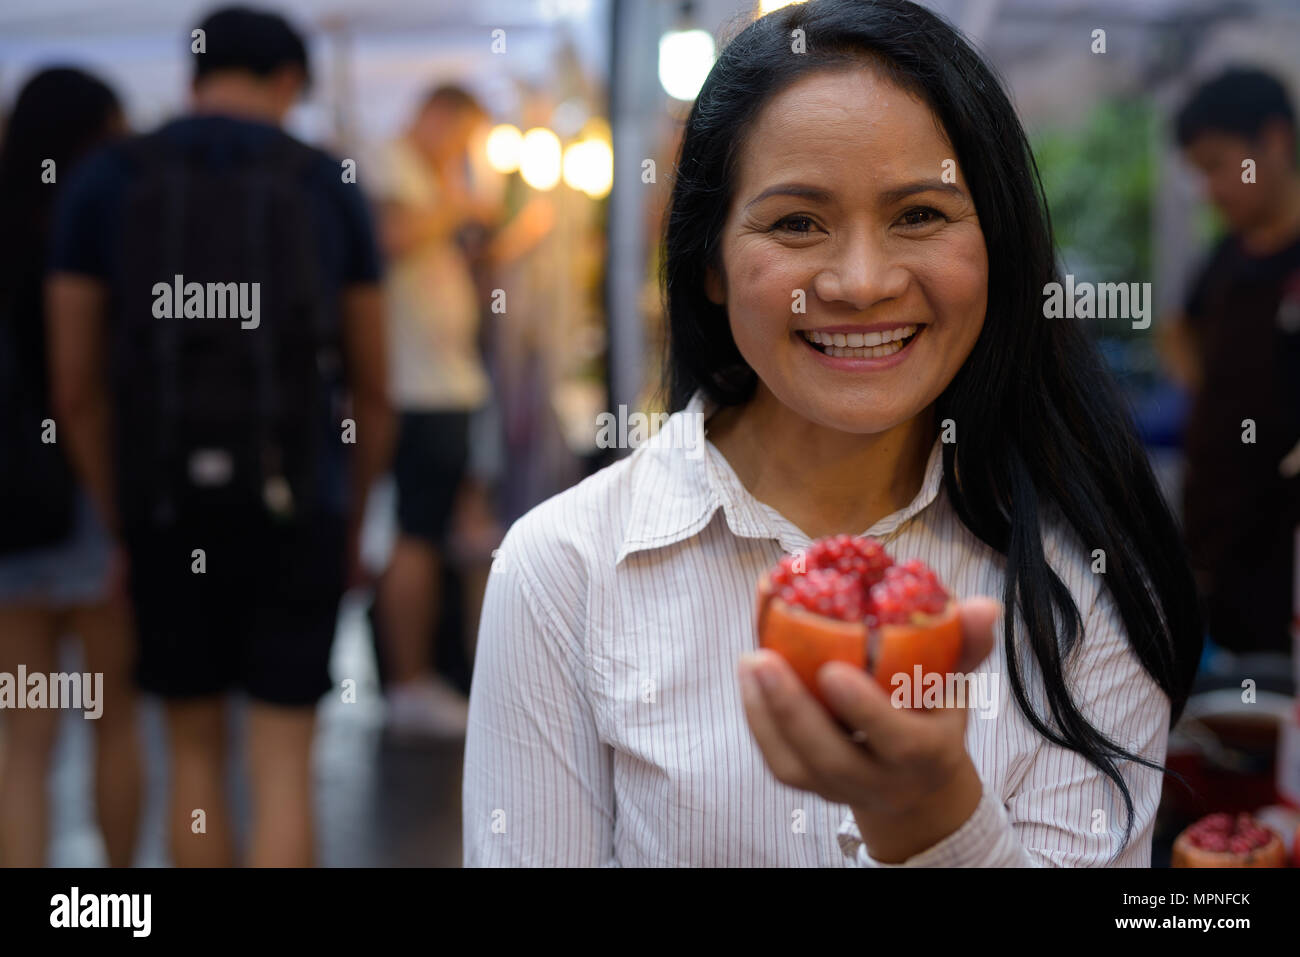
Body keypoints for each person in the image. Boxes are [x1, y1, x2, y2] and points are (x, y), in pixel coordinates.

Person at [463, 0, 1203, 867]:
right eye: (796, 223)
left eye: (920, 214)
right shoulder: (563, 570)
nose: (860, 282)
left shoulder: (1092, 576)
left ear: (998, 243)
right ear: (709, 261)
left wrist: (934, 822)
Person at [46, 6, 392, 866]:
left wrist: (120, 518)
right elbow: (376, 386)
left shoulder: (106, 179)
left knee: (190, 751)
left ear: (195, 75)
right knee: (281, 764)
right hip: (296, 503)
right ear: (287, 83)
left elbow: (75, 387)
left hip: (164, 506)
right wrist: (350, 525)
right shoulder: (325, 182)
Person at [0, 67, 142, 867]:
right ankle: (113, 905)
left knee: (24, 736)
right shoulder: (99, 221)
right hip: (94, 501)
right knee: (114, 718)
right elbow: (83, 388)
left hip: (10, 515)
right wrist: (122, 513)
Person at [369, 85, 501, 737]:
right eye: (462, 134)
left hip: (442, 385)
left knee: (437, 531)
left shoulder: (424, 175)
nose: (461, 150)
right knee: (417, 534)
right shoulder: (395, 165)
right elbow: (392, 236)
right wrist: (458, 202)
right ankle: (408, 681)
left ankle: (423, 673)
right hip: (417, 389)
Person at [1158, 67, 1300, 657]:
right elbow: (1174, 327)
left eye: (1218, 165)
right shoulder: (1228, 252)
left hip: (1285, 555)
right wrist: (1212, 397)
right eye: (1199, 172)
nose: (1210, 188)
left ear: (1273, 140)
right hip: (1217, 538)